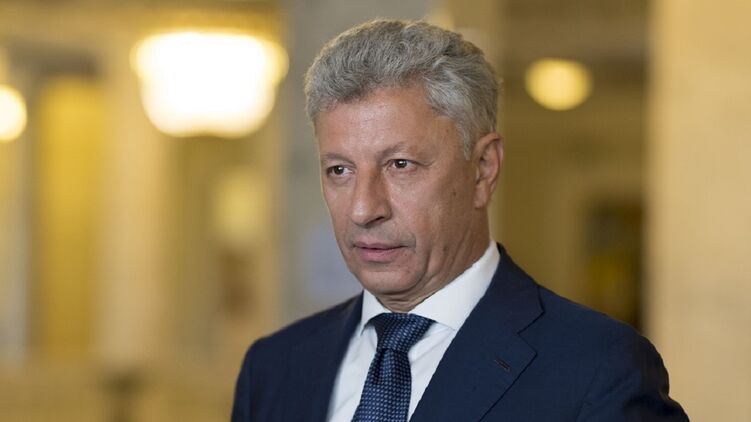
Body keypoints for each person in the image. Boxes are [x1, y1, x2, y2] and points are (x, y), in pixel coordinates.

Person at [231, 19, 688, 421]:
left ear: (483, 169)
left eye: (400, 165)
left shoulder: (599, 370)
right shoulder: (274, 368)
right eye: (340, 170)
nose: (364, 209)